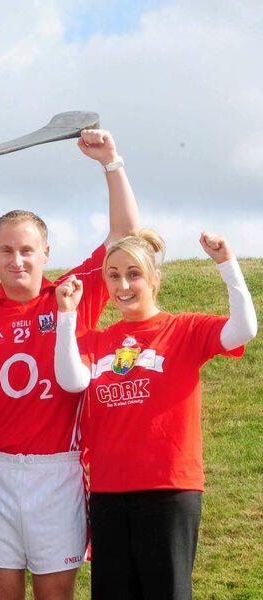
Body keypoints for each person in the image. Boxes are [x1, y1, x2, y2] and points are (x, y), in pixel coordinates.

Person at [0, 129, 140, 600]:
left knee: (55, 597)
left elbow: (125, 236)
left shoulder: (71, 292)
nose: (17, 260)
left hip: (57, 469)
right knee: (1, 596)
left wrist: (112, 163)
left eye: (27, 250)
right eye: (7, 251)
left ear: (45, 253)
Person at [54, 230, 257, 599]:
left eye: (133, 274)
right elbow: (70, 380)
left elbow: (243, 329)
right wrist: (66, 317)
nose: (123, 284)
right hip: (109, 490)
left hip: (169, 488)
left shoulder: (184, 328)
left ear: (154, 278)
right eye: (113, 275)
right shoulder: (97, 341)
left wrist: (227, 264)